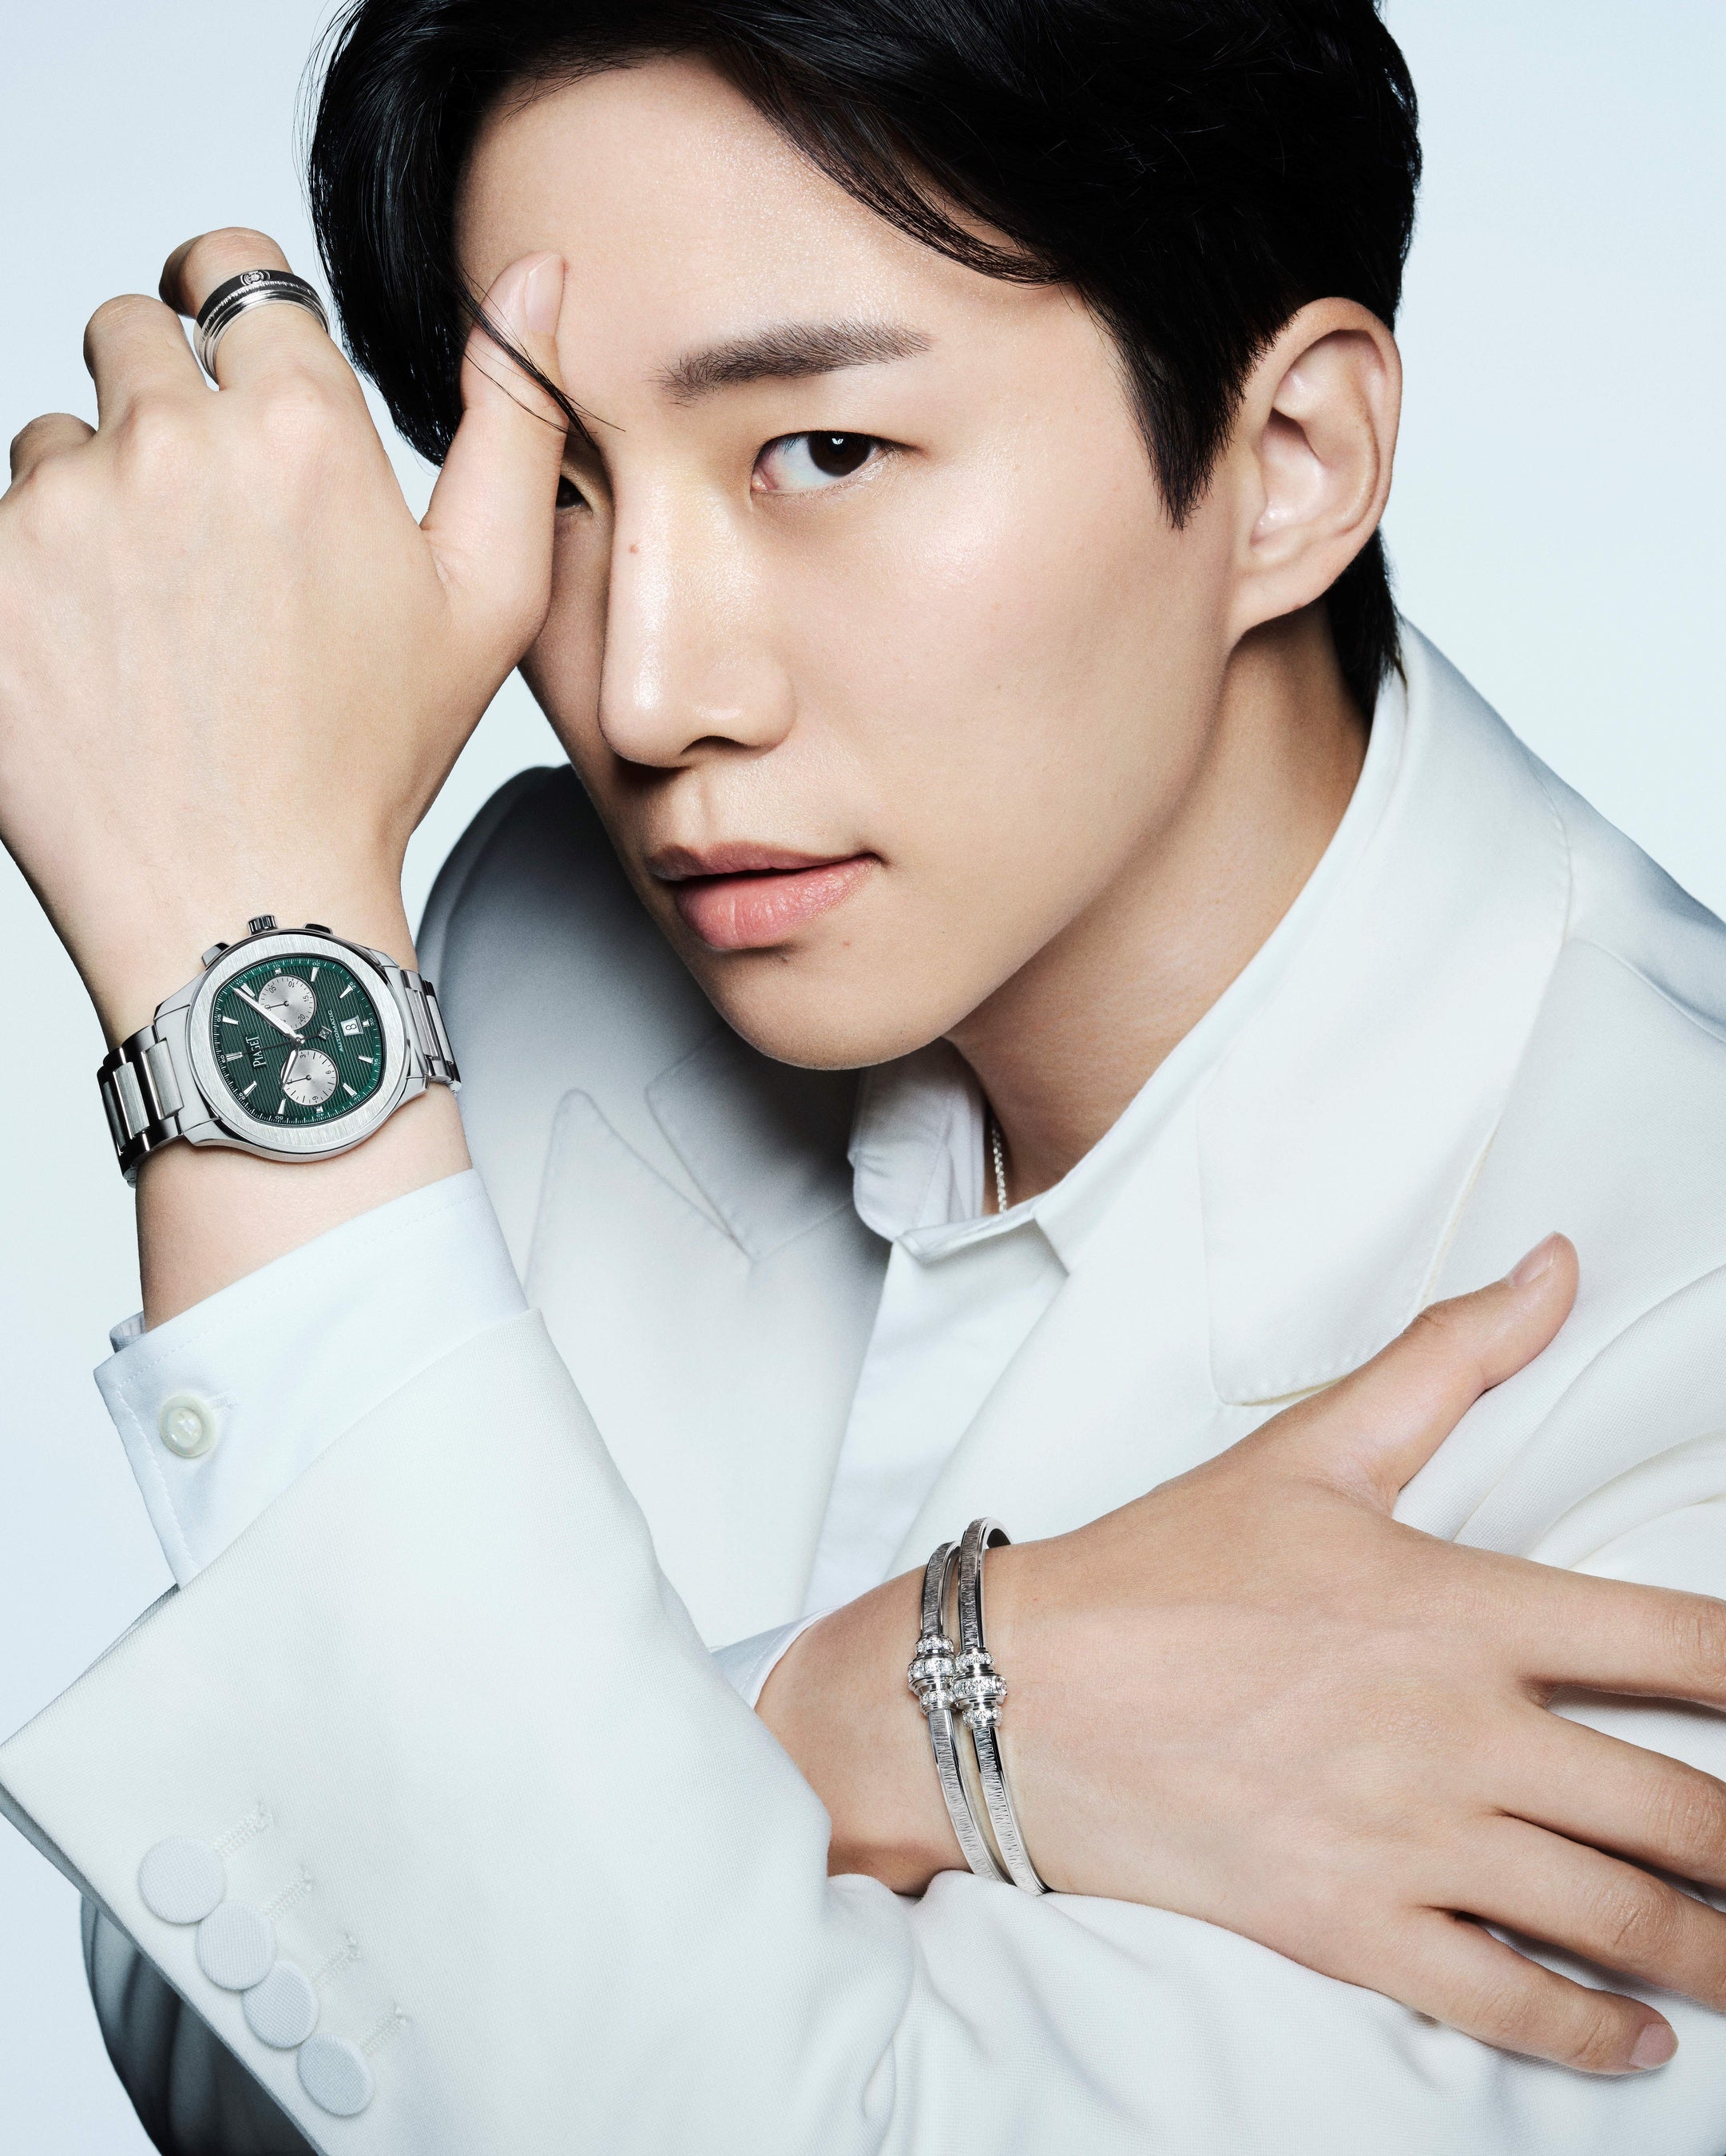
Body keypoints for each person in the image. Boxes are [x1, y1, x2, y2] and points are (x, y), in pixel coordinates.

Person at [4, 1, 1726, 2149]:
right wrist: (881, 1706)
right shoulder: (541, 941)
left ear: (1287, 464)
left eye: (818, 453)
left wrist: (234, 948)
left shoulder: (1683, 1344)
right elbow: (205, 1991)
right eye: (559, 481)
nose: (645, 688)